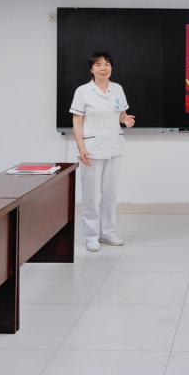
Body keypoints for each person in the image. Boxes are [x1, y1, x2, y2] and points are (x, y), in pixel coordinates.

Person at [70, 52, 135, 252]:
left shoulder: (117, 88)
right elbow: (77, 121)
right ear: (91, 69)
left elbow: (120, 113)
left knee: (110, 192)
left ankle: (108, 232)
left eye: (106, 64)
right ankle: (91, 236)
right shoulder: (83, 91)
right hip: (91, 149)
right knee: (90, 194)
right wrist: (81, 147)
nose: (103, 68)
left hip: (114, 146)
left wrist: (125, 119)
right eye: (98, 65)